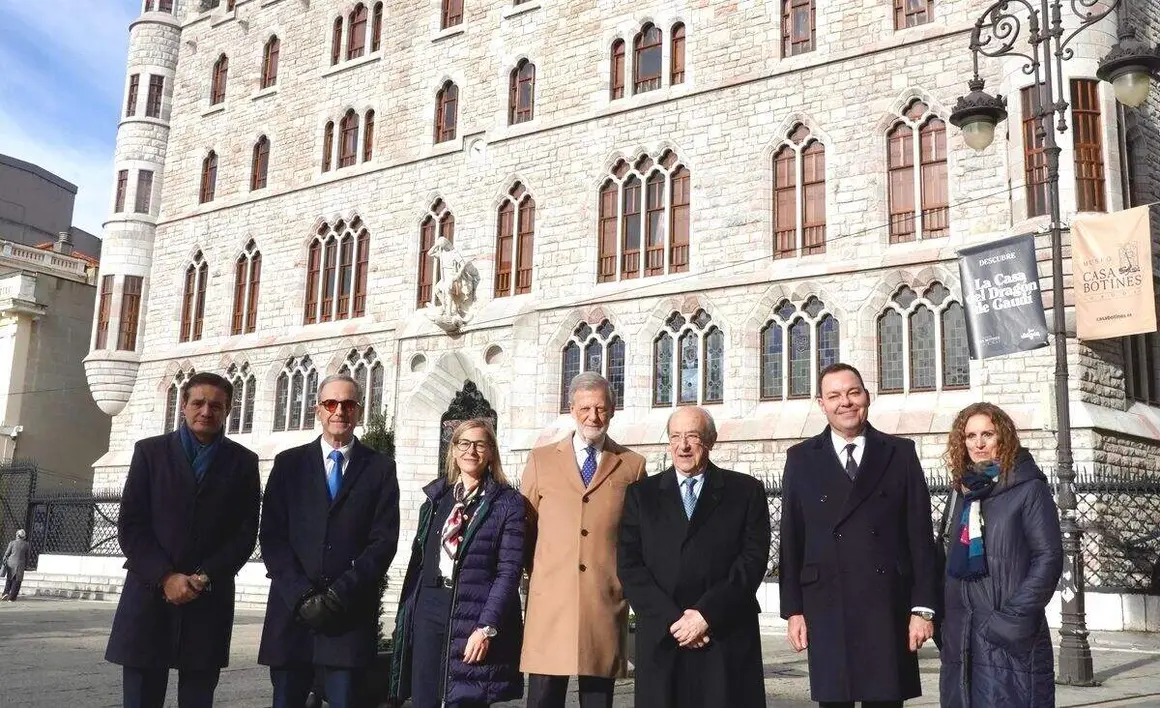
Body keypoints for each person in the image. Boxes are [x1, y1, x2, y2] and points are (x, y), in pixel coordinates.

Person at [779, 362, 937, 708]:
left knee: (885, 699)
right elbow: (791, 539)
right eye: (834, 395)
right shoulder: (801, 459)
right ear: (821, 403)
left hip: (887, 604)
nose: (845, 402)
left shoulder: (900, 453)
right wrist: (793, 611)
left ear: (868, 396)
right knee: (835, 699)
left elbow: (921, 536)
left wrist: (923, 609)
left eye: (853, 392)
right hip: (827, 605)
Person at [104, 372, 261, 708]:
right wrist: (166, 576)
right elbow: (132, 526)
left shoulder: (243, 462)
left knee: (198, 697)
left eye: (216, 405)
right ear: (184, 405)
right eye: (198, 402)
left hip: (208, 600)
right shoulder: (150, 453)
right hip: (149, 597)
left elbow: (244, 534)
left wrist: (203, 578)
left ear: (228, 410)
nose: (207, 411)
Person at [257, 373, 400, 708]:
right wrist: (302, 596)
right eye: (331, 403)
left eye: (348, 404)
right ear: (318, 410)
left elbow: (383, 542)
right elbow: (272, 536)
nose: (340, 411)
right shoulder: (288, 464)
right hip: (292, 614)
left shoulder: (379, 468)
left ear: (359, 411)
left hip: (347, 618)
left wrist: (338, 596)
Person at [617, 406, 770, 707]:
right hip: (664, 636)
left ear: (711, 440)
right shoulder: (641, 495)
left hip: (723, 636)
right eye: (675, 436)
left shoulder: (745, 491)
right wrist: (675, 621)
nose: (683, 445)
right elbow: (630, 564)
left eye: (692, 436)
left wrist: (705, 615)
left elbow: (752, 560)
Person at [520, 372, 646, 708]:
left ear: (613, 411)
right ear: (572, 410)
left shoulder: (631, 466)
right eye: (586, 408)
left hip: (603, 598)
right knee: (544, 695)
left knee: (597, 697)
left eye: (601, 409)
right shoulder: (541, 459)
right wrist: (539, 573)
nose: (594, 417)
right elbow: (525, 526)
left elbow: (637, 536)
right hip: (551, 598)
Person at [388, 419, 526, 708]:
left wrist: (487, 627)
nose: (471, 451)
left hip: (473, 611)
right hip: (430, 606)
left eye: (479, 444)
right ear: (453, 450)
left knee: (466, 698)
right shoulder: (437, 499)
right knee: (424, 697)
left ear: (491, 452)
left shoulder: (508, 503)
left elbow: (508, 572)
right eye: (464, 443)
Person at [938, 402, 1062, 707]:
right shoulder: (961, 491)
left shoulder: (1028, 488)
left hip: (1006, 635)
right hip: (961, 638)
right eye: (970, 436)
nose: (978, 443)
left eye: (987, 434)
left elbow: (1048, 558)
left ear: (1003, 437)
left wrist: (1011, 619)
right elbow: (945, 554)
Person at [1, 529, 30, 601]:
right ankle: (12, 597)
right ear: (24, 537)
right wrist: (26, 565)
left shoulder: (12, 543)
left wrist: (4, 562)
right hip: (20, 564)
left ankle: (5, 593)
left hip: (11, 563)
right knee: (17, 581)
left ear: (17, 535)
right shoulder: (26, 544)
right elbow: (27, 556)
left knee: (9, 579)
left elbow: (7, 554)